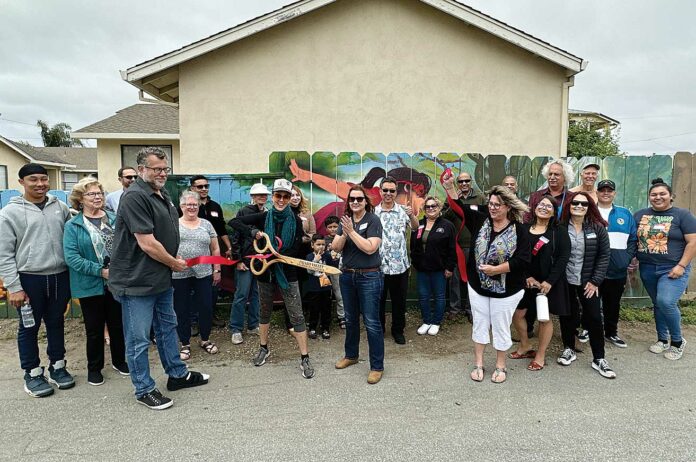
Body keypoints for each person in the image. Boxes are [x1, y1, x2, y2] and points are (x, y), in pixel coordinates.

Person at [109, 147, 209, 410]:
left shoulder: (161, 193)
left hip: (160, 279)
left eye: (166, 169)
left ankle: (177, 375)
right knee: (138, 338)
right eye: (157, 169)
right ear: (141, 170)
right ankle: (143, 389)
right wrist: (175, 263)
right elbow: (147, 243)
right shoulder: (134, 197)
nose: (163, 173)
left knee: (167, 329)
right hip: (136, 282)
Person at [443, 173, 530, 384]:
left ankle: (500, 366)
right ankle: (479, 363)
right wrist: (449, 187)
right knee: (480, 324)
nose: (492, 208)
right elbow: (459, 207)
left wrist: (498, 269)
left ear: (508, 207)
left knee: (500, 326)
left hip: (506, 290)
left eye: (497, 205)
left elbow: (523, 260)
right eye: (490, 204)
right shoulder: (481, 218)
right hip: (478, 286)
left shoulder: (519, 230)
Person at [228, 179, 315, 379]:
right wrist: (253, 233)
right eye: (278, 195)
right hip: (265, 272)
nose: (282, 200)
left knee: (297, 314)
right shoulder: (263, 216)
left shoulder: (296, 220)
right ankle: (264, 348)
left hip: (287, 272)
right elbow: (234, 223)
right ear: (273, 196)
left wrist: (279, 254)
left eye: (286, 196)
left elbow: (298, 249)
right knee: (264, 311)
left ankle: (304, 357)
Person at [0, 163, 74, 397]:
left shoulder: (59, 207)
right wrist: (13, 287)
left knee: (56, 323)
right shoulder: (9, 213)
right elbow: (4, 253)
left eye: (44, 179)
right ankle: (32, 372)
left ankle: (58, 366)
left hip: (59, 276)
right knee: (29, 327)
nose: (40, 184)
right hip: (29, 278)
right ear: (21, 182)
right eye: (34, 179)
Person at [63, 177, 128, 386]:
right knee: (94, 329)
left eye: (100, 193)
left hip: (116, 282)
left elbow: (128, 245)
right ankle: (94, 368)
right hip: (90, 285)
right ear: (80, 199)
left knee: (118, 325)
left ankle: (120, 361)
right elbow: (71, 257)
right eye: (91, 194)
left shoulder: (115, 218)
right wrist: (101, 272)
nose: (97, 196)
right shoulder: (73, 225)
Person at [634, 178, 696, 361]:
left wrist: (681, 266)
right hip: (647, 266)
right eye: (654, 194)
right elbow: (634, 240)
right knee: (658, 303)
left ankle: (677, 341)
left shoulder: (683, 215)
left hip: (673, 267)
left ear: (671, 196)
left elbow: (693, 242)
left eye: (662, 194)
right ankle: (662, 339)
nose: (658, 197)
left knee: (666, 301)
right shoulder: (640, 215)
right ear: (649, 197)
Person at [557, 192, 615, 378]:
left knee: (594, 318)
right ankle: (569, 348)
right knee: (567, 315)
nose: (579, 206)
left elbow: (604, 256)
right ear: (569, 205)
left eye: (584, 203)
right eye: (575, 203)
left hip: (588, 282)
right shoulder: (560, 227)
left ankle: (599, 358)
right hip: (565, 280)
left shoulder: (597, 228)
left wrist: (595, 280)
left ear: (589, 207)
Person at [510, 195, 570, 371]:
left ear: (554, 212)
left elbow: (563, 258)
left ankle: (540, 355)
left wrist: (549, 281)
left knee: (544, 318)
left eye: (549, 206)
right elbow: (517, 255)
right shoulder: (523, 228)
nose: (544, 207)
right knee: (518, 315)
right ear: (534, 208)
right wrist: (527, 276)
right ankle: (525, 346)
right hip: (526, 280)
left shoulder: (559, 231)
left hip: (549, 282)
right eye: (541, 204)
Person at [331, 185, 384, 384]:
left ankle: (377, 366)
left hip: (369, 277)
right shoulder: (345, 221)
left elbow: (370, 248)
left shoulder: (373, 220)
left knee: (371, 322)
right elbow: (335, 248)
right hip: (347, 276)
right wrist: (345, 232)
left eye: (359, 199)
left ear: (365, 201)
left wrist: (351, 232)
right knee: (350, 319)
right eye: (352, 199)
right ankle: (351, 355)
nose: (355, 202)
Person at [289, 160, 431, 234]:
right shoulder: (375, 198)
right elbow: (342, 188)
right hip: (329, 223)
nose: (423, 201)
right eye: (421, 194)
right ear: (407, 189)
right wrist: (309, 175)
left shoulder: (400, 212)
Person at [172, 191, 221, 360]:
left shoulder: (206, 224)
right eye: (188, 204)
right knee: (181, 309)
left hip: (204, 273)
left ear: (199, 206)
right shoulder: (173, 224)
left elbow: (215, 249)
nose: (191, 207)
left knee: (206, 307)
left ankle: (205, 339)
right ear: (181, 206)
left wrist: (217, 269)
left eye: (195, 204)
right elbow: (166, 247)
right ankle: (184, 343)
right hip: (179, 274)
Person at [376, 176, 418, 344]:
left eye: (391, 190)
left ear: (396, 192)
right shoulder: (373, 212)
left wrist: (412, 215)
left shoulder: (403, 210)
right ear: (380, 191)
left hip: (400, 266)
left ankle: (398, 331)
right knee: (378, 302)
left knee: (399, 302)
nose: (388, 193)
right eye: (385, 190)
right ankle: (379, 329)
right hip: (378, 267)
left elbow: (415, 228)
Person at [188, 175, 231, 332]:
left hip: (213, 251)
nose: (204, 189)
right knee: (193, 286)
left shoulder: (215, 206)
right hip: (193, 253)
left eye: (206, 186)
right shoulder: (187, 206)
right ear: (192, 188)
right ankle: (193, 321)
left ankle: (209, 316)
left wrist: (228, 246)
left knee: (214, 284)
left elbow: (221, 229)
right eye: (200, 187)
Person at [596, 179, 637, 348]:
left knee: (612, 303)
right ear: (597, 193)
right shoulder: (590, 212)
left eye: (609, 190)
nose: (606, 193)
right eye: (602, 190)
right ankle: (587, 329)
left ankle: (611, 333)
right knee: (589, 302)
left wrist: (626, 259)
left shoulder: (624, 214)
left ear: (614, 193)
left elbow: (633, 239)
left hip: (616, 269)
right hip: (593, 268)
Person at [442, 171, 485, 322]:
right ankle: (454, 309)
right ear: (457, 183)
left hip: (475, 247)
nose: (464, 184)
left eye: (467, 181)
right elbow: (443, 218)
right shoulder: (452, 198)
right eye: (460, 181)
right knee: (455, 279)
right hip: (457, 247)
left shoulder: (480, 198)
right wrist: (454, 202)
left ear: (471, 182)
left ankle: (471, 309)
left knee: (473, 279)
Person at [228, 183, 268, 345]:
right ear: (252, 196)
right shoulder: (244, 212)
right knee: (241, 294)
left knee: (257, 295)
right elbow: (236, 237)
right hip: (245, 260)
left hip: (261, 261)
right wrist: (237, 261)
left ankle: (253, 325)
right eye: (259, 195)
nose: (262, 197)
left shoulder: (267, 213)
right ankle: (236, 329)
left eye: (264, 195)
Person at [410, 196, 456, 336]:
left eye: (434, 206)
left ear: (439, 207)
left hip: (439, 269)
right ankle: (427, 321)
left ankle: (436, 322)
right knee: (423, 296)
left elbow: (452, 248)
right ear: (424, 209)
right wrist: (415, 261)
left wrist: (449, 267)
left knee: (439, 296)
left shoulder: (447, 225)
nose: (430, 209)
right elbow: (413, 244)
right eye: (428, 206)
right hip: (422, 268)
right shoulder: (420, 224)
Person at [305, 234, 334, 339]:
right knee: (314, 308)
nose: (321, 247)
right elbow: (309, 271)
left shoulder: (327, 256)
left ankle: (325, 328)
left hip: (326, 286)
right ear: (312, 245)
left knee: (326, 308)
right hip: (314, 288)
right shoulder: (309, 256)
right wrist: (315, 260)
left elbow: (331, 269)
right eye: (318, 244)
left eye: (323, 244)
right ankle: (312, 328)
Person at [323, 215, 345, 329]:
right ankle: (326, 318)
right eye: (330, 227)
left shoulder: (342, 238)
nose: (333, 229)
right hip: (325, 272)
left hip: (338, 271)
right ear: (326, 228)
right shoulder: (323, 240)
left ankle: (341, 316)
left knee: (339, 295)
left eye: (335, 227)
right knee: (326, 295)